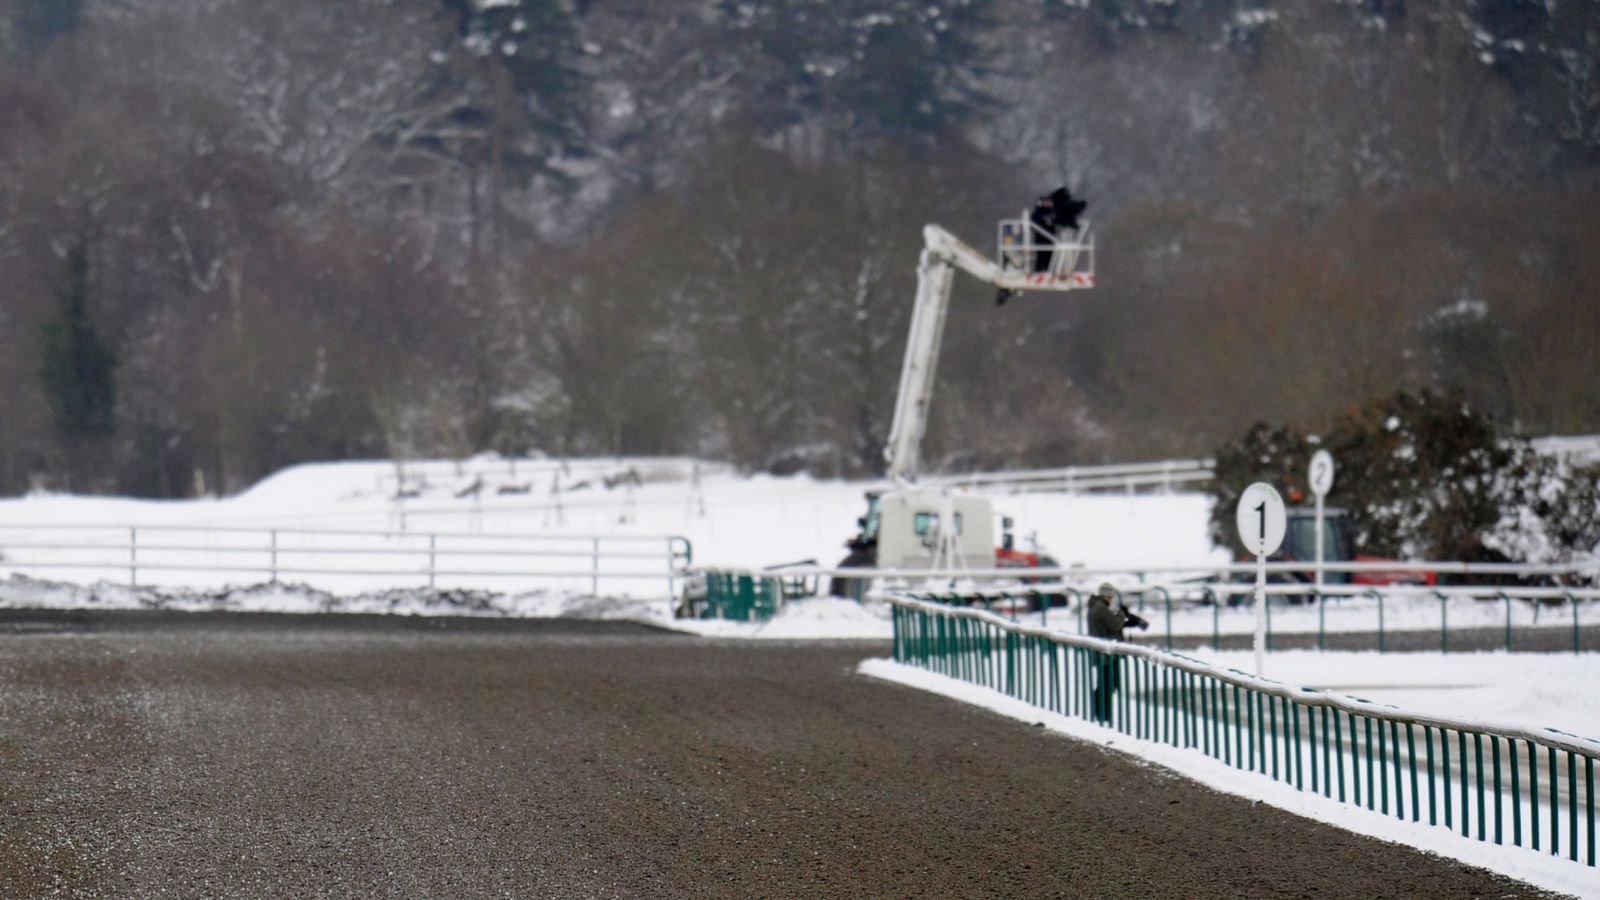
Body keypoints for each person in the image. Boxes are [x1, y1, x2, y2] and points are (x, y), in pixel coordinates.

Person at [1086, 582, 1148, 724]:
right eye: (1111, 596)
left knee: (1107, 684)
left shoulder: (1095, 607)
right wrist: (1121, 613)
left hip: (1103, 651)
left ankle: (1100, 714)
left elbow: (1110, 625)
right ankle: (1102, 715)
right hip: (1106, 653)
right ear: (1107, 595)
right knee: (1109, 684)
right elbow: (1115, 624)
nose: (1112, 599)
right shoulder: (1100, 608)